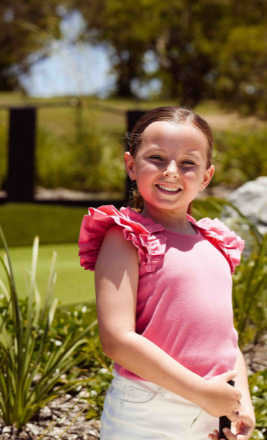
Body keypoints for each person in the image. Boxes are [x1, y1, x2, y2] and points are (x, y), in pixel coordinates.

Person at [78, 106, 255, 440]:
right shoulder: (125, 236)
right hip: (148, 412)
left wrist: (241, 404)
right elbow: (117, 339)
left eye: (188, 162)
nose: (172, 171)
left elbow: (227, 340)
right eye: (157, 158)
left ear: (206, 176)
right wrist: (202, 393)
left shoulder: (216, 243)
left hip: (213, 409)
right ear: (132, 166)